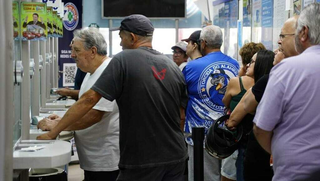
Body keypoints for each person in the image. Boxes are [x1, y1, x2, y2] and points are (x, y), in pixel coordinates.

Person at [38, 14, 188, 181]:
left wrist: (54, 132)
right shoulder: (172, 66)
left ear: (131, 37)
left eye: (121, 37)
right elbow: (181, 115)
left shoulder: (123, 59)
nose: (120, 43)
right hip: (176, 155)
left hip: (142, 159)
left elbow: (89, 100)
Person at [38, 28, 120, 181]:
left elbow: (94, 115)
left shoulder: (106, 72)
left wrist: (57, 126)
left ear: (93, 51)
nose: (72, 55)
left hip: (105, 159)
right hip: (93, 157)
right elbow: (84, 107)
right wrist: (62, 119)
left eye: (76, 50)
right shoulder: (92, 72)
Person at [226, 16, 300, 181]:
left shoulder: (273, 79)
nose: (278, 45)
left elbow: (248, 114)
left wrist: (273, 150)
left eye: (282, 37)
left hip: (266, 154)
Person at [253, 3, 320, 181]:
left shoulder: (287, 70)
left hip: (295, 174)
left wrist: (280, 152)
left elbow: (261, 128)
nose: (279, 41)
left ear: (304, 32)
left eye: (284, 35)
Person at [182, 25, 239, 181]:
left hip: (199, 136)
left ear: (203, 43)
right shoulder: (235, 65)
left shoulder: (191, 67)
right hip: (228, 133)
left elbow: (181, 97)